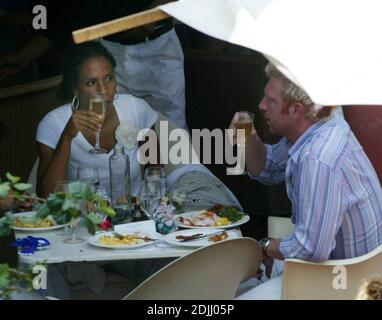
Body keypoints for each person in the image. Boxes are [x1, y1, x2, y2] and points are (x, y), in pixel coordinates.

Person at [231, 63, 382, 299]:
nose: (261, 105)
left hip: (344, 283)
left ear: (296, 110)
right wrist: (247, 138)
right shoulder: (320, 123)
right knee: (233, 282)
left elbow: (311, 249)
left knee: (233, 297)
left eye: (270, 101)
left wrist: (265, 246)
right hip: (336, 268)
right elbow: (268, 170)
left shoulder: (318, 159)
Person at [0, 0, 187, 129]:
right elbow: (63, 14)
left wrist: (154, 11)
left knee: (171, 136)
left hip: (158, 49)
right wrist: (24, 56)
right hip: (104, 50)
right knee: (114, 138)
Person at [36, 41, 158, 198]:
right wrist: (67, 136)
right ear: (74, 88)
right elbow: (46, 196)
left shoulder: (136, 109)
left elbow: (155, 172)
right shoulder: (53, 124)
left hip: (133, 216)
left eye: (108, 78)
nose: (103, 89)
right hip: (82, 218)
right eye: (91, 82)